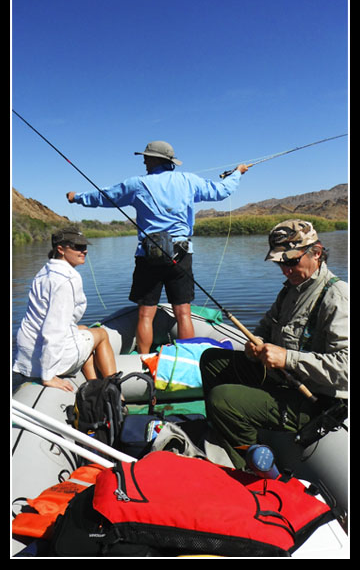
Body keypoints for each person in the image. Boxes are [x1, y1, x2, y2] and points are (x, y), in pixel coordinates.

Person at [66, 140, 249, 353]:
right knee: (183, 313)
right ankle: (187, 358)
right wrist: (238, 173)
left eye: (146, 157)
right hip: (181, 255)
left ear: (155, 159)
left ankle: (143, 361)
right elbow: (222, 191)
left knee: (145, 314)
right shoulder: (188, 180)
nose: (143, 161)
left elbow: (104, 196)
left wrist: (76, 197)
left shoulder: (137, 184)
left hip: (148, 255)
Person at [200, 219, 348, 469]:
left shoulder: (337, 297)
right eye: (280, 262)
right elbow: (265, 328)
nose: (285, 270)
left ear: (317, 253)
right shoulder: (291, 289)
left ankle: (254, 468)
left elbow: (345, 370)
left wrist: (287, 358)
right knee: (211, 361)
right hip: (282, 379)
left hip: (317, 401)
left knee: (221, 398)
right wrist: (255, 345)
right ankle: (226, 431)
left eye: (291, 261)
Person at [13, 228, 117, 392]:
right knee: (101, 334)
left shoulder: (44, 271)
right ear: (60, 249)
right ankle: (115, 392)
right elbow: (54, 330)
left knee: (83, 330)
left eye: (84, 246)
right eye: (78, 247)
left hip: (27, 357)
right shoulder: (66, 280)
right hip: (47, 363)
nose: (84, 251)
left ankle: (94, 387)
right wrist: (48, 375)